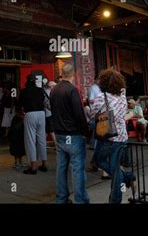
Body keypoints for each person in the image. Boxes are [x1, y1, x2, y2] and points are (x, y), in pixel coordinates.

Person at [89, 69, 136, 204]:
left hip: (108, 137)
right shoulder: (122, 96)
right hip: (122, 136)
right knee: (115, 168)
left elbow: (92, 115)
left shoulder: (101, 97)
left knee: (99, 161)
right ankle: (120, 190)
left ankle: (125, 179)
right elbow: (124, 114)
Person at [50, 64, 90, 204]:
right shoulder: (72, 90)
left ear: (62, 73)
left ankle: (61, 199)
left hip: (60, 134)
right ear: (73, 74)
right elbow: (79, 114)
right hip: (73, 134)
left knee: (61, 168)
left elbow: (52, 111)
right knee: (77, 168)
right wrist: (86, 132)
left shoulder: (53, 90)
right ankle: (81, 200)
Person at [18, 75, 47, 174]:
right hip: (41, 114)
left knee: (30, 140)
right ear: (35, 81)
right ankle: (44, 164)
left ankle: (33, 166)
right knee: (42, 139)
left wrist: (21, 113)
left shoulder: (24, 91)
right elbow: (45, 102)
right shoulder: (40, 90)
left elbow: (19, 105)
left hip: (30, 114)